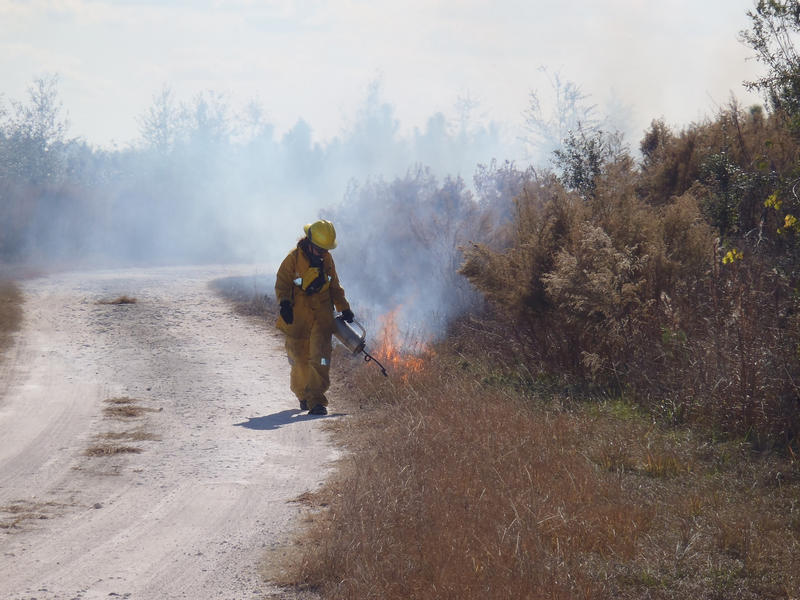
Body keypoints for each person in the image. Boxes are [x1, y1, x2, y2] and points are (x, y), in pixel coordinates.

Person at [274, 219, 354, 415]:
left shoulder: (327, 260)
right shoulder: (293, 259)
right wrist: (284, 303)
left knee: (321, 360)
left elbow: (334, 286)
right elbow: (282, 283)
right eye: (320, 250)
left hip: (322, 319)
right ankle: (303, 395)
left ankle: (317, 400)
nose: (323, 254)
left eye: (326, 250)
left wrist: (344, 308)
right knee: (299, 360)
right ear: (309, 243)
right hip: (298, 318)